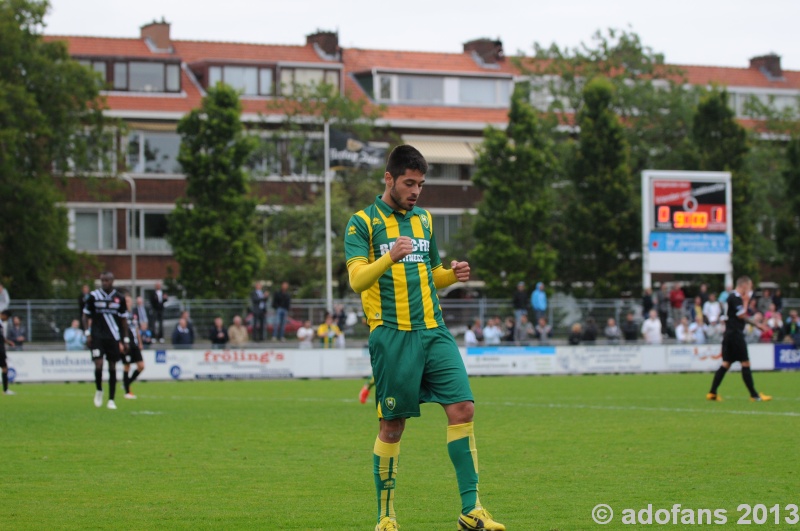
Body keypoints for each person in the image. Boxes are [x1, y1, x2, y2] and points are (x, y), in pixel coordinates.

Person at [344, 145, 505, 531]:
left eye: (421, 184)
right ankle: (386, 516)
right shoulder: (361, 223)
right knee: (392, 427)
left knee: (463, 408)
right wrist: (388, 258)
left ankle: (472, 510)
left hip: (434, 331)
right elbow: (356, 280)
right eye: (409, 183)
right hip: (391, 335)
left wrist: (452, 274)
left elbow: (430, 273)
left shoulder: (424, 220)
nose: (416, 191)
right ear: (389, 179)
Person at [707, 276, 772, 403]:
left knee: (726, 363)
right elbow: (741, 314)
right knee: (745, 363)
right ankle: (754, 395)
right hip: (735, 335)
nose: (750, 290)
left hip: (729, 335)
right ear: (744, 286)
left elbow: (742, 317)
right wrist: (746, 301)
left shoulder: (733, 297)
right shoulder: (735, 297)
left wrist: (757, 325)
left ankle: (712, 393)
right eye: (750, 287)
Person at [83, 271, 129, 410]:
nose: (104, 283)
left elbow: (124, 320)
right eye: (102, 280)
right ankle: (99, 390)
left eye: (107, 280)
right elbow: (85, 316)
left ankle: (111, 399)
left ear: (112, 281)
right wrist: (87, 333)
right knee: (98, 364)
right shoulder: (94, 296)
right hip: (97, 336)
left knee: (112, 366)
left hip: (113, 336)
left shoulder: (119, 298)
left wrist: (125, 339)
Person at [122, 294, 145, 399]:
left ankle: (127, 383)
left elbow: (136, 329)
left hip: (135, 344)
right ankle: (127, 392)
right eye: (125, 301)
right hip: (127, 344)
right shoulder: (121, 314)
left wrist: (140, 342)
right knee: (127, 366)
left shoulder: (134, 314)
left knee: (141, 366)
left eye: (129, 301)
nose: (127, 303)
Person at [1, 311, 16, 395]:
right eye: (7, 318)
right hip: (0, 350)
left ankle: (5, 389)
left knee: (4, 368)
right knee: (4, 368)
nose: (6, 320)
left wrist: (7, 342)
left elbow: (1, 337)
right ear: (3, 315)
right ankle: (5, 390)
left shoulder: (1, 324)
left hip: (1, 349)